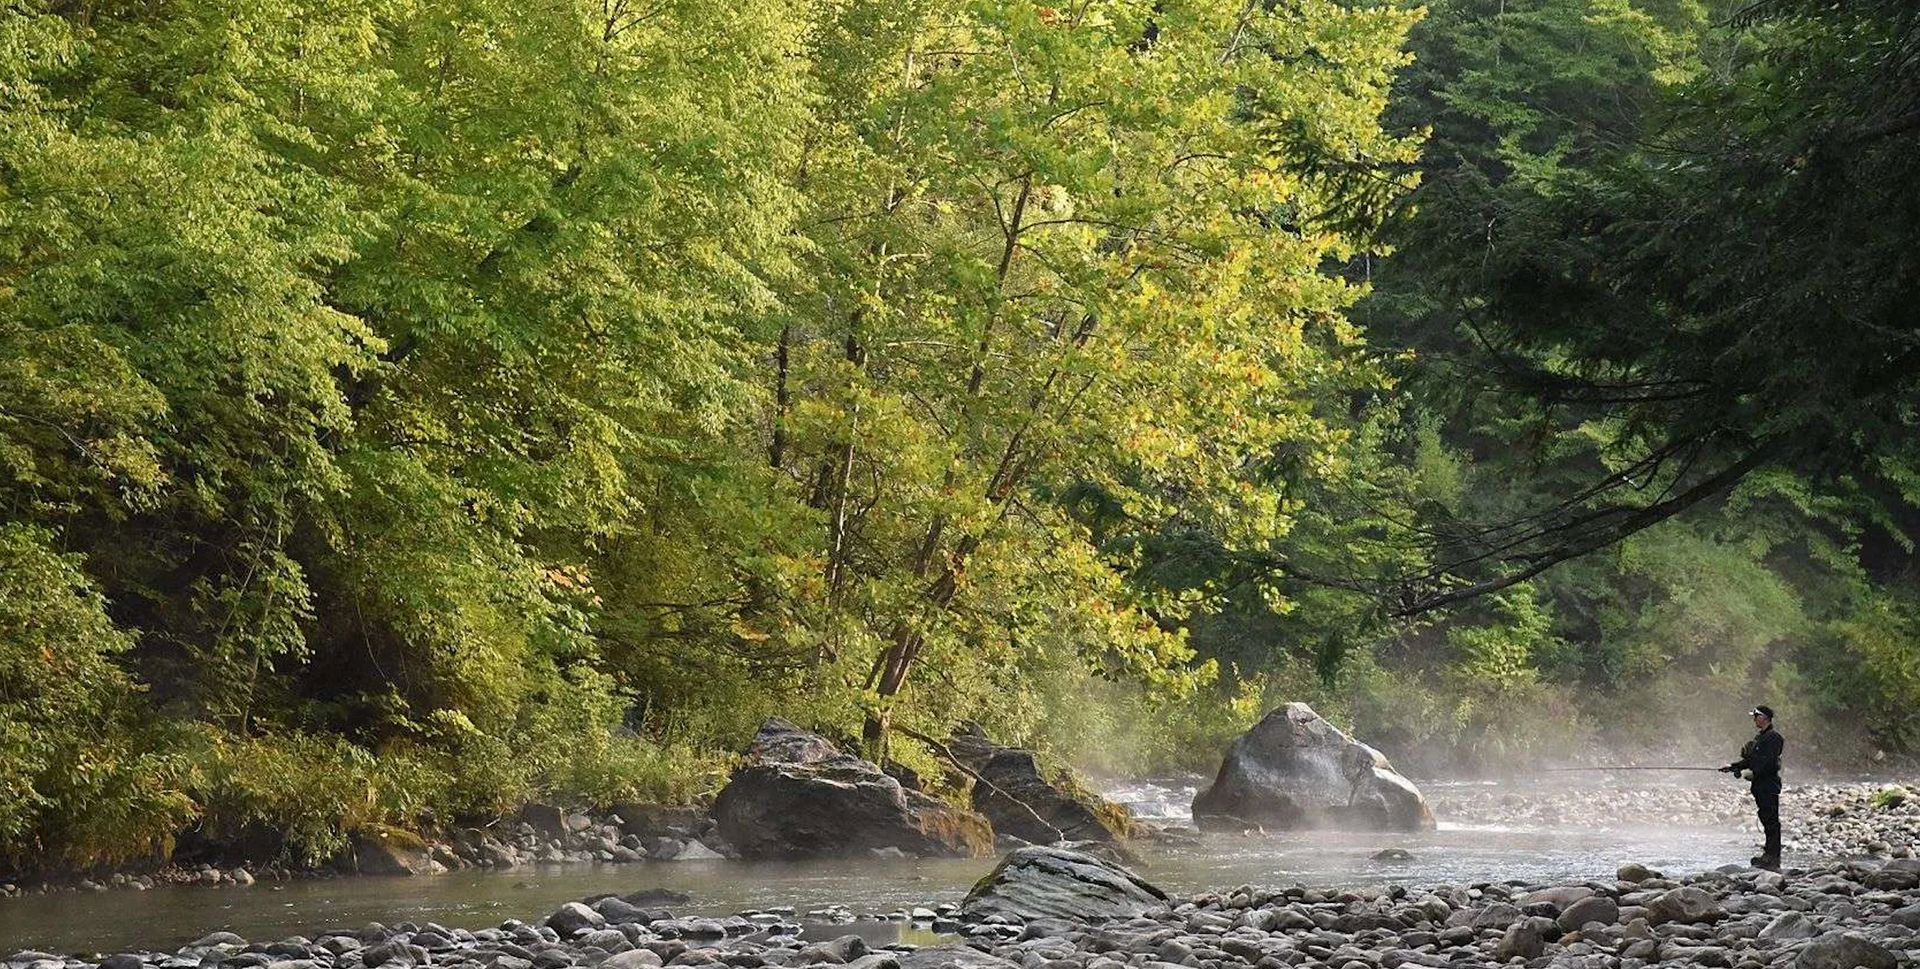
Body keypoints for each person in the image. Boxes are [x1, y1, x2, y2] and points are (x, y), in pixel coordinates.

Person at [1721, 705, 1784, 868]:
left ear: (1765, 718)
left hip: (1768, 785)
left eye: (1756, 716)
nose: (1754, 719)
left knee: (1771, 820)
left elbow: (1769, 763)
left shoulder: (1774, 738)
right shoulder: (1760, 738)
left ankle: (1773, 857)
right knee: (1765, 817)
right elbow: (1751, 761)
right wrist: (1733, 766)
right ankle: (1768, 854)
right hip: (1760, 785)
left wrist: (1754, 773)